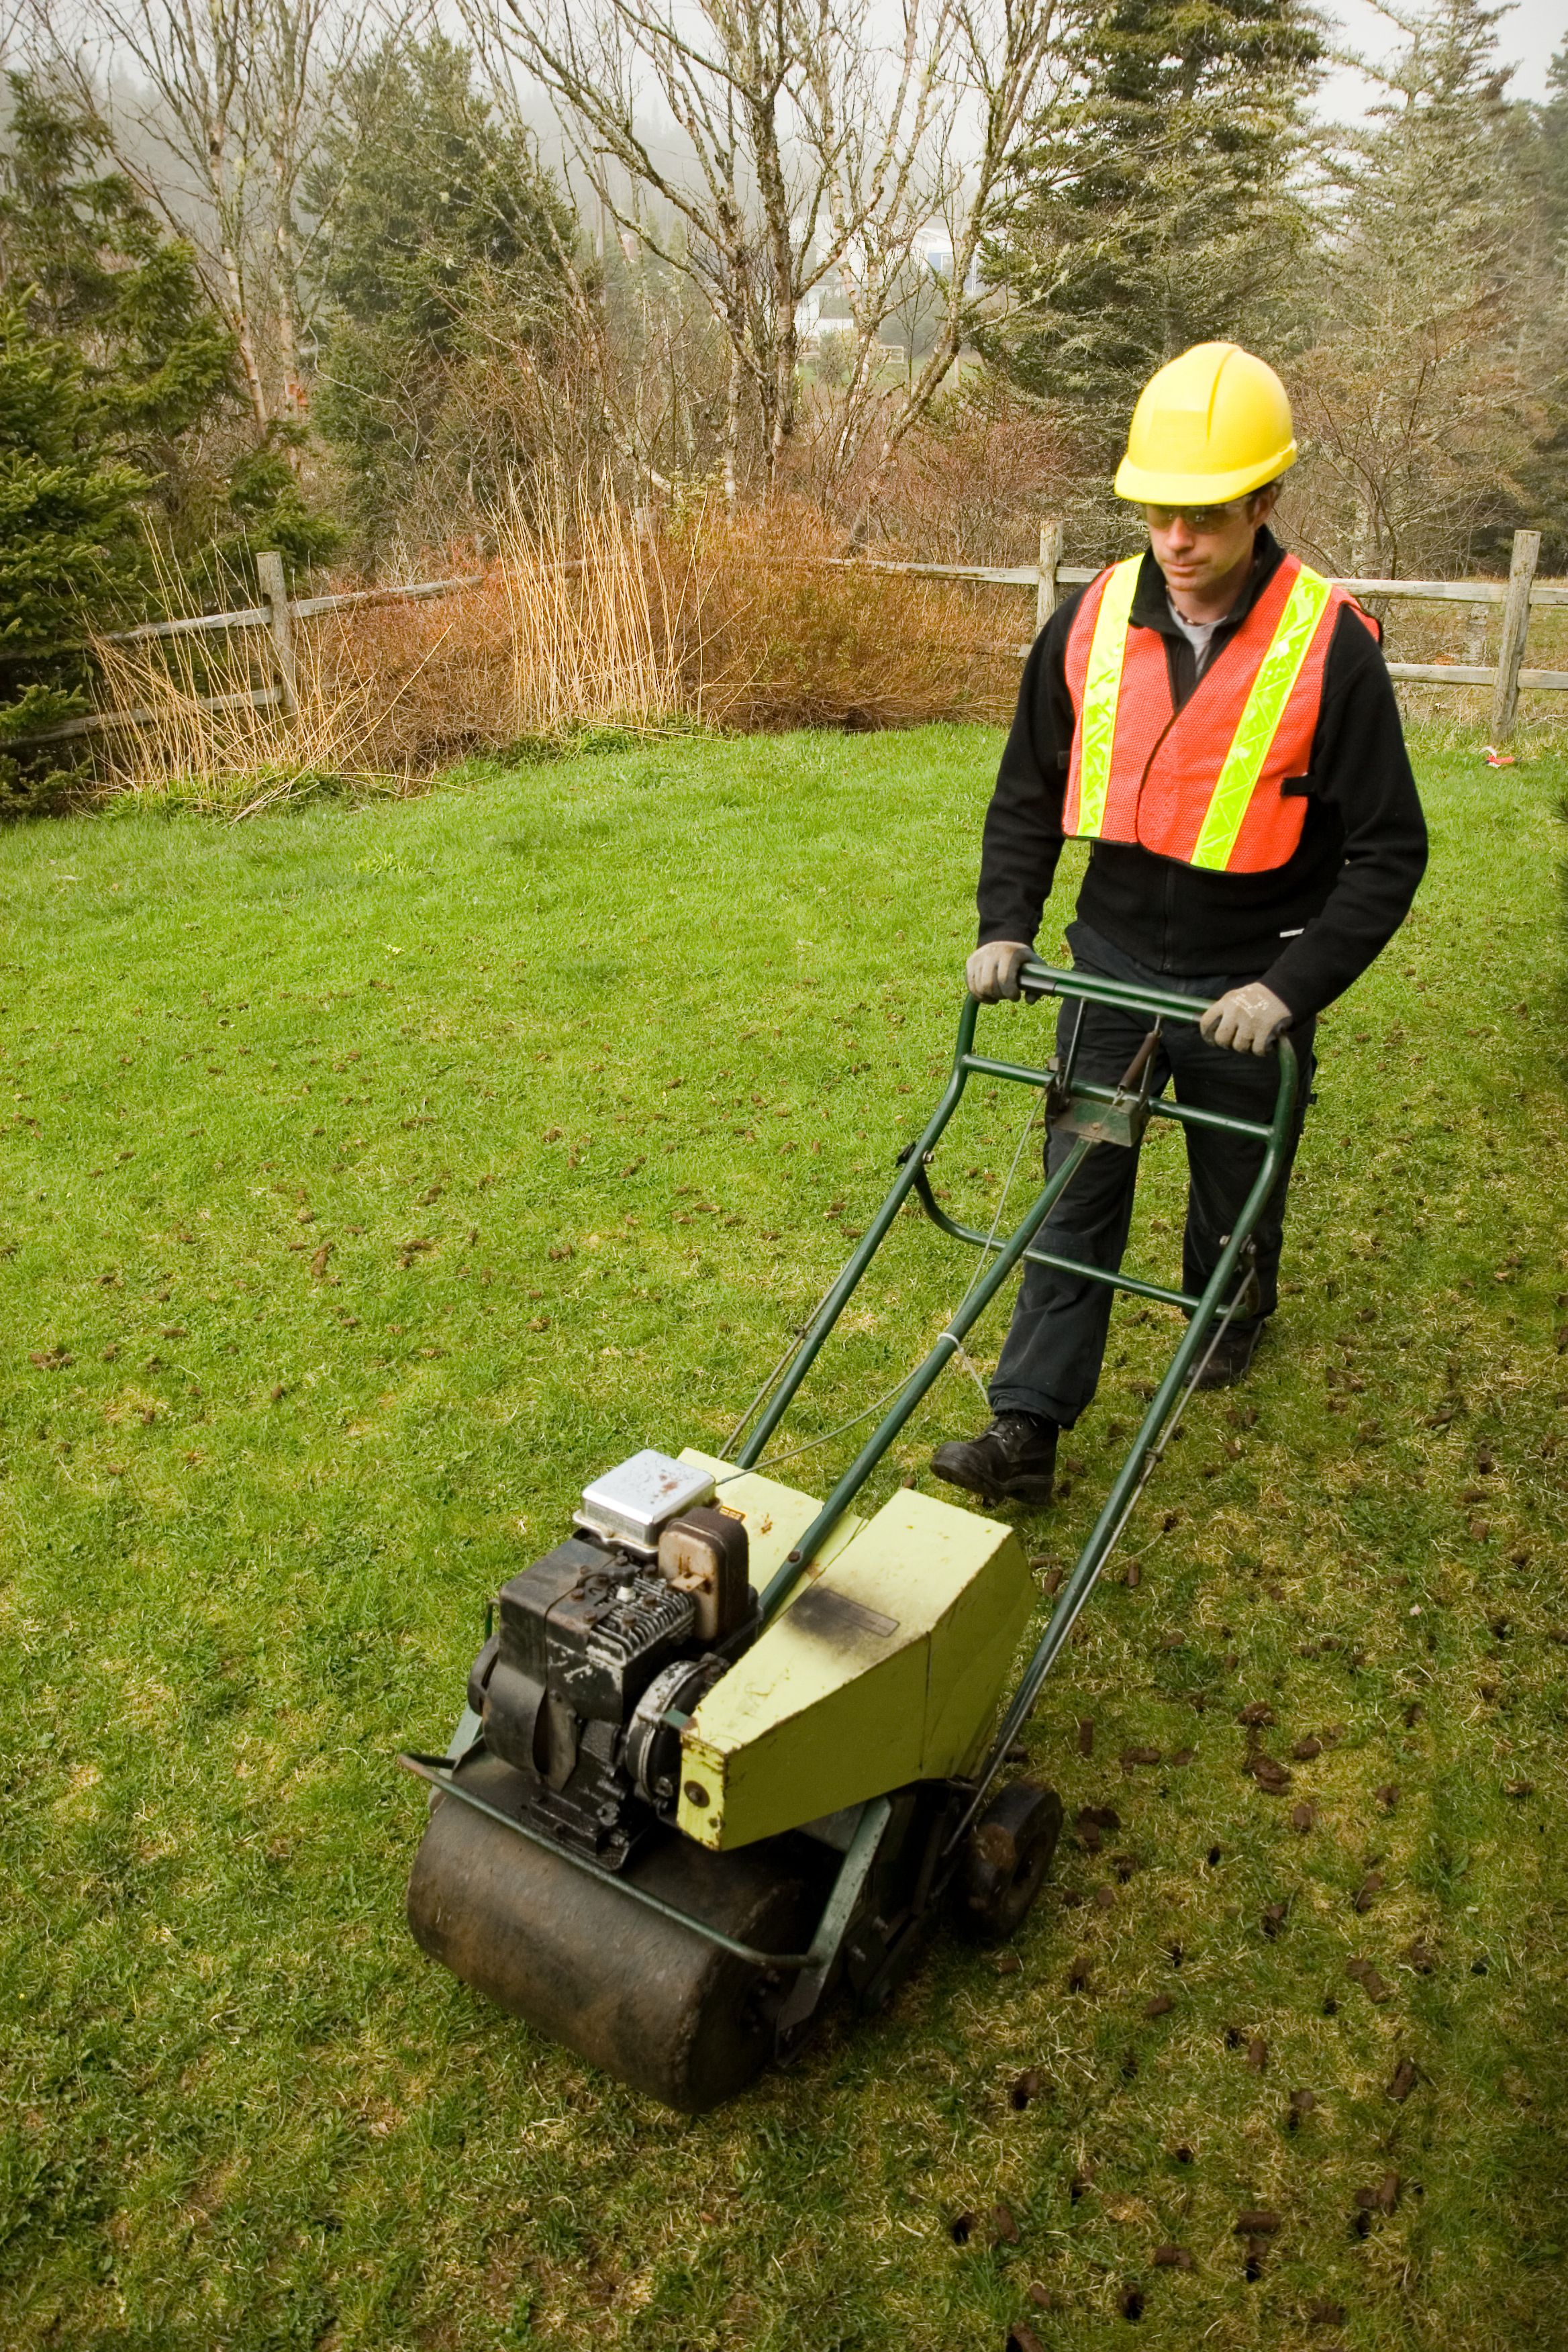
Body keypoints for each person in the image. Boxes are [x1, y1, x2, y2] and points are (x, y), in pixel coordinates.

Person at [930, 341, 1428, 1508]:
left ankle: (1233, 1300)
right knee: (1079, 1185)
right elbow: (1024, 793)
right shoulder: (1092, 622)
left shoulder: (1331, 649)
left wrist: (1291, 991)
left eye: (1205, 512)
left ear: (1263, 499)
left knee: (1234, 1180)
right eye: (1158, 510)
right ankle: (1028, 1428)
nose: (1178, 539)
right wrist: (1010, 922)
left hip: (1245, 982)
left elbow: (1389, 852)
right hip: (1109, 973)